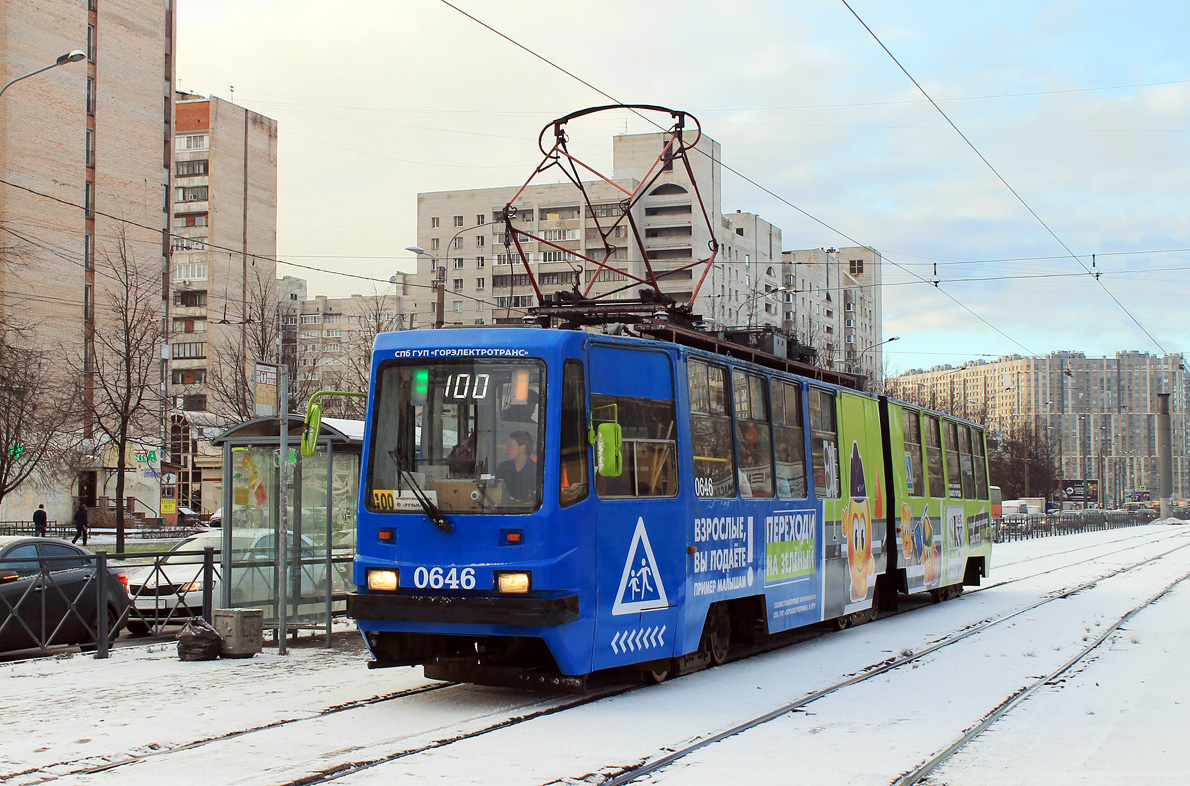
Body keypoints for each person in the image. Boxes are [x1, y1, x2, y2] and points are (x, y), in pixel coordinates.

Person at [495, 431, 536, 502]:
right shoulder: (503, 468)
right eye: (507, 445)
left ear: (522, 448)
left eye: (511, 445)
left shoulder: (535, 470)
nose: (507, 448)